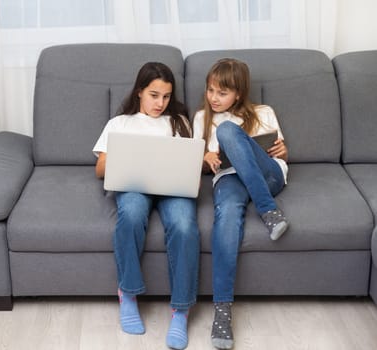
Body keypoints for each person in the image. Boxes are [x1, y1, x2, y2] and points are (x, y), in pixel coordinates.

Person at [93, 62, 201, 350]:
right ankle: (127, 294)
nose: (160, 103)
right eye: (154, 95)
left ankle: (180, 311)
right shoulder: (120, 123)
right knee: (131, 214)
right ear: (139, 91)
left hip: (173, 186)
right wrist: (130, 155)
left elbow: (191, 160)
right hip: (133, 183)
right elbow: (100, 169)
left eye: (166, 96)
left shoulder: (179, 121)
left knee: (184, 225)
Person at [192, 58, 289, 349]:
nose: (214, 98)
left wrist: (283, 150)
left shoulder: (264, 112)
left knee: (227, 132)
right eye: (211, 90)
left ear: (239, 92)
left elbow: (278, 152)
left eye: (222, 93)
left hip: (267, 176)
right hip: (228, 179)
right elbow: (192, 160)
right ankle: (222, 311)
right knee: (227, 217)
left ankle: (267, 208)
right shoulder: (201, 119)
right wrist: (204, 159)